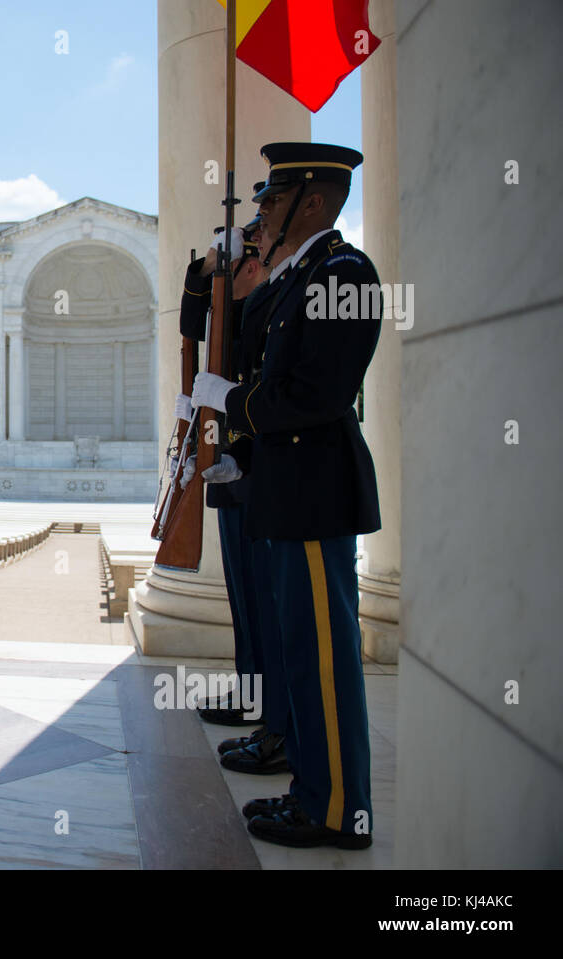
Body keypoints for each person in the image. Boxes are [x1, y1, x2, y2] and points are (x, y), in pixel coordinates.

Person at [192, 142, 381, 849]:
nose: (262, 212)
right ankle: (310, 788)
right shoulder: (298, 277)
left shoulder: (343, 273)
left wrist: (234, 402)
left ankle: (337, 809)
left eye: (274, 199)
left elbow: (313, 395)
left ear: (314, 201)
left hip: (314, 489)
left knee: (324, 658)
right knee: (299, 651)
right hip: (288, 487)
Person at [173, 222, 292, 775]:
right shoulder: (239, 315)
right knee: (245, 600)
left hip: (260, 471)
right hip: (236, 471)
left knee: (268, 603)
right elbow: (191, 324)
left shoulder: (271, 310)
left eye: (239, 260)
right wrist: (202, 273)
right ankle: (254, 695)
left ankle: (275, 715)